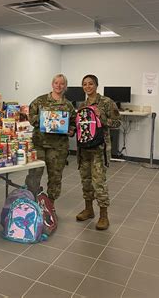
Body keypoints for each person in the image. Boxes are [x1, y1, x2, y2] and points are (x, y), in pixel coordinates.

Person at [76, 74, 121, 230]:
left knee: (99, 182)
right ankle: (89, 210)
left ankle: (104, 216)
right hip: (84, 149)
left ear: (96, 85)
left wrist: (101, 118)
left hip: (99, 149)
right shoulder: (82, 105)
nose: (88, 87)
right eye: (85, 84)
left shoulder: (107, 102)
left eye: (90, 84)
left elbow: (117, 122)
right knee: (86, 180)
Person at [25, 74, 76, 202]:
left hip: (58, 147)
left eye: (62, 83)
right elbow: (30, 117)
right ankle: (31, 203)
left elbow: (74, 124)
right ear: (52, 84)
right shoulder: (40, 101)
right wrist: (46, 120)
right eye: (56, 83)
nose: (59, 86)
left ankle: (50, 205)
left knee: (55, 177)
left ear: (65, 86)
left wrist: (71, 131)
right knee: (34, 175)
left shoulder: (68, 105)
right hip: (39, 144)